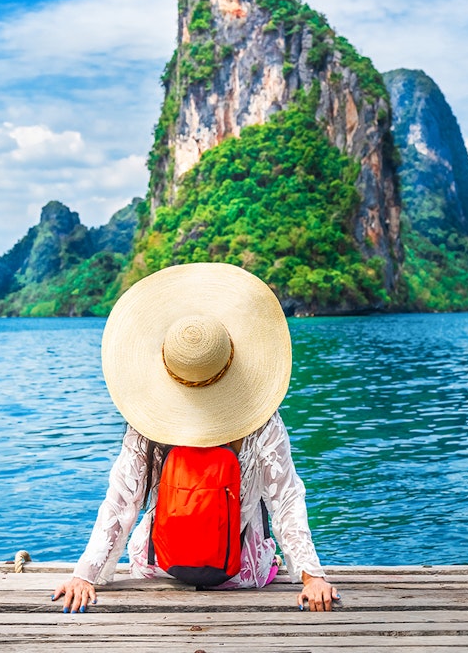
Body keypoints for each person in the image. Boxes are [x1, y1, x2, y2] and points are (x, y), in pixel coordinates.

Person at [53, 262, 339, 613]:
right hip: (239, 574)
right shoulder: (261, 421)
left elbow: (121, 501)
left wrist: (85, 575)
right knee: (268, 531)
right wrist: (311, 576)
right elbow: (286, 498)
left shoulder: (147, 421)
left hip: (157, 566)